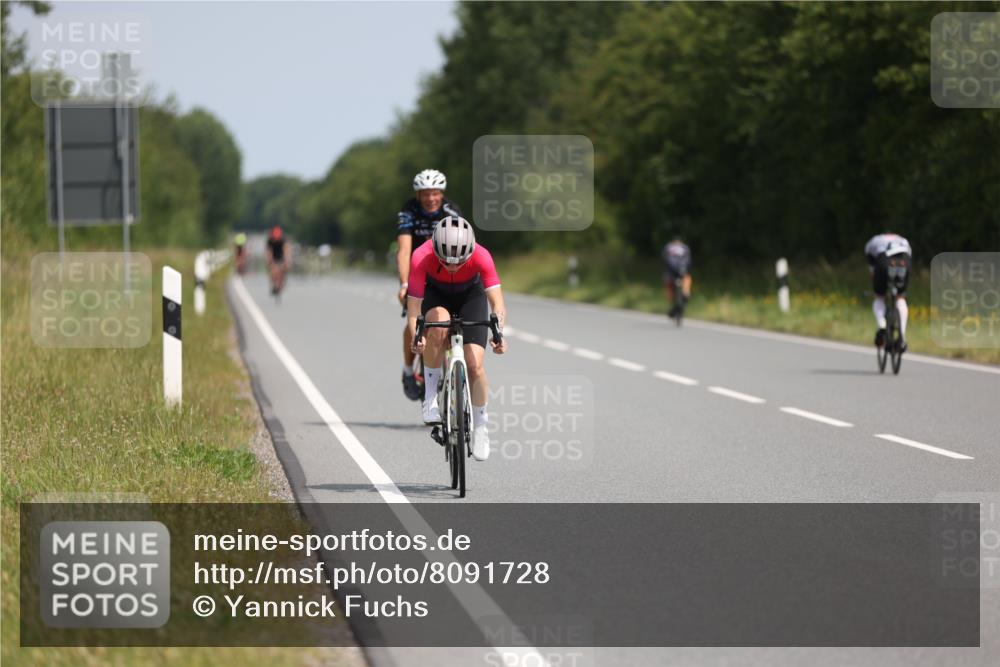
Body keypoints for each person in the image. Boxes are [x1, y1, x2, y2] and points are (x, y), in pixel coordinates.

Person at [407, 216, 507, 462]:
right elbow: (413, 309)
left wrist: (498, 331)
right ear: (435, 251)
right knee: (439, 322)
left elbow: (497, 302)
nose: (452, 266)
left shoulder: (482, 256)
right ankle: (430, 395)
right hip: (436, 294)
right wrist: (417, 336)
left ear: (470, 251)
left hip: (470, 296)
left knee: (475, 365)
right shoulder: (421, 256)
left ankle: (481, 425)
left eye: (459, 261)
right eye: (446, 261)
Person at [397, 169, 463, 400]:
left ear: (441, 193)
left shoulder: (450, 210)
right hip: (417, 269)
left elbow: (460, 243)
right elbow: (404, 250)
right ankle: (408, 370)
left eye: (435, 193)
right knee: (414, 319)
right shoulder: (409, 211)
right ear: (418, 195)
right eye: (425, 194)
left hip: (444, 270)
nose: (430, 198)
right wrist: (404, 283)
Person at [864, 232, 912, 351]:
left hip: (883, 259)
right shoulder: (903, 240)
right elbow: (909, 257)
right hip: (904, 260)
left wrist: (877, 285)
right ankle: (902, 336)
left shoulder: (874, 241)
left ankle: (882, 325)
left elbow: (872, 267)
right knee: (900, 297)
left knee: (879, 297)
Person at [662, 238, 692, 318]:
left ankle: (685, 293)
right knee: (685, 278)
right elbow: (688, 260)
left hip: (674, 272)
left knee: (685, 279)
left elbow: (665, 259)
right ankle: (685, 293)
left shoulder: (669, 247)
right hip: (677, 271)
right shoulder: (684, 248)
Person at [266, 225, 290, 295]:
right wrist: (269, 260)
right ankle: (274, 284)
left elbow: (286, 250)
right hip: (274, 256)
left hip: (281, 256)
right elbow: (268, 251)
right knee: (273, 270)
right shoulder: (270, 240)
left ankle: (281, 281)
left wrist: (286, 261)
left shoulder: (283, 240)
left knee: (282, 269)